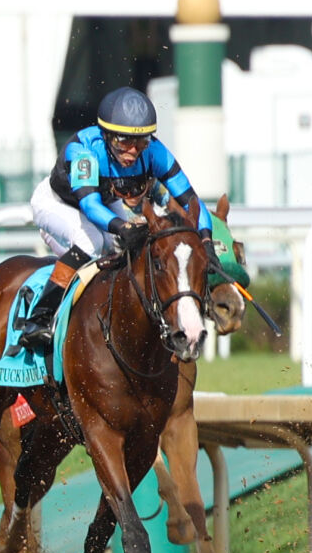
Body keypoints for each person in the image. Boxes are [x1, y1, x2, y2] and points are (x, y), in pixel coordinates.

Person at [18, 87, 213, 357]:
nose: (133, 151)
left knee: (139, 244)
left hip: (102, 204)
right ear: (106, 135)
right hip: (58, 203)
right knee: (93, 240)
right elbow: (89, 205)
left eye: (141, 142)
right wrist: (121, 227)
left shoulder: (154, 151)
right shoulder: (84, 149)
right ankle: (39, 317)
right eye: (123, 142)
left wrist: (205, 238)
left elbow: (192, 201)